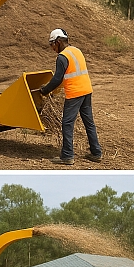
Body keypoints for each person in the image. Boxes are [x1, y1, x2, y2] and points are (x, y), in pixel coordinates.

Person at [37, 28, 102, 165]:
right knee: (89, 122)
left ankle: (67, 156)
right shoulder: (76, 50)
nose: (52, 48)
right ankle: (96, 153)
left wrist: (44, 90)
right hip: (86, 90)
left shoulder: (62, 57)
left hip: (75, 93)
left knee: (67, 123)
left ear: (58, 42)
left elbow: (57, 79)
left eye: (52, 44)